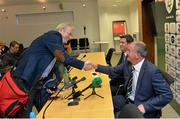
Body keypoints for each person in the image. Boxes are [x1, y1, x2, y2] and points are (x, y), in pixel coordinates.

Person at [11, 22, 94, 117]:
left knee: (45, 109)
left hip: (38, 82)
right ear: (61, 30)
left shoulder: (54, 42)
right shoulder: (53, 35)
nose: (71, 37)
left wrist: (49, 83)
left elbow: (47, 65)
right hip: (27, 80)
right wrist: (83, 65)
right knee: (25, 112)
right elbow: (63, 57)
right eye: (69, 33)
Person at [94, 41, 173, 118]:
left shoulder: (152, 72)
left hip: (140, 107)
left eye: (129, 51)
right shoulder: (128, 63)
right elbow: (113, 71)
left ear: (137, 55)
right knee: (107, 102)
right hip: (128, 100)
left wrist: (145, 107)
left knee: (112, 116)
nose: (126, 53)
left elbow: (167, 95)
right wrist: (96, 66)